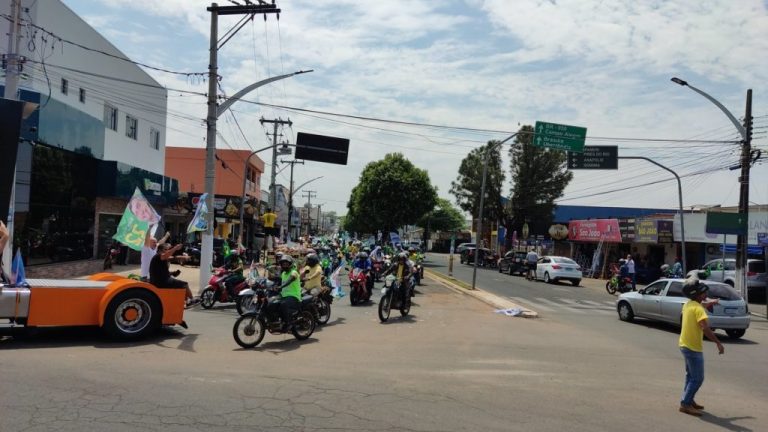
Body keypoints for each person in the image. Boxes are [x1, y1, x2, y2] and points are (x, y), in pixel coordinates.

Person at [678, 277, 724, 416]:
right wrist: (718, 343)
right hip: (693, 348)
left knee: (690, 376)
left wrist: (712, 302)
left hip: (684, 345)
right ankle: (685, 404)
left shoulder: (688, 304)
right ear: (696, 294)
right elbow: (705, 328)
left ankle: (688, 399)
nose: (706, 296)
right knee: (698, 378)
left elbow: (701, 305)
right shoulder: (699, 310)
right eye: (703, 294)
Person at [149, 243, 199, 308]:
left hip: (161, 280)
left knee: (179, 285)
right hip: (162, 281)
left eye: (168, 249)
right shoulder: (158, 256)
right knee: (184, 284)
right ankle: (191, 300)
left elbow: (173, 258)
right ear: (160, 250)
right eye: (166, 249)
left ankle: (184, 302)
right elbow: (166, 255)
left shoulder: (161, 258)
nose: (168, 251)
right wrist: (175, 248)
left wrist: (172, 273)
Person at [276, 255, 302, 329]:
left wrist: (281, 287)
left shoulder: (294, 272)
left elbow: (289, 280)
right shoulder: (283, 273)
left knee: (283, 304)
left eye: (286, 263)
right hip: (284, 295)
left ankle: (288, 323)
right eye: (283, 264)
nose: (284, 265)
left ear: (290, 264)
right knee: (272, 302)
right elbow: (278, 280)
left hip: (294, 296)